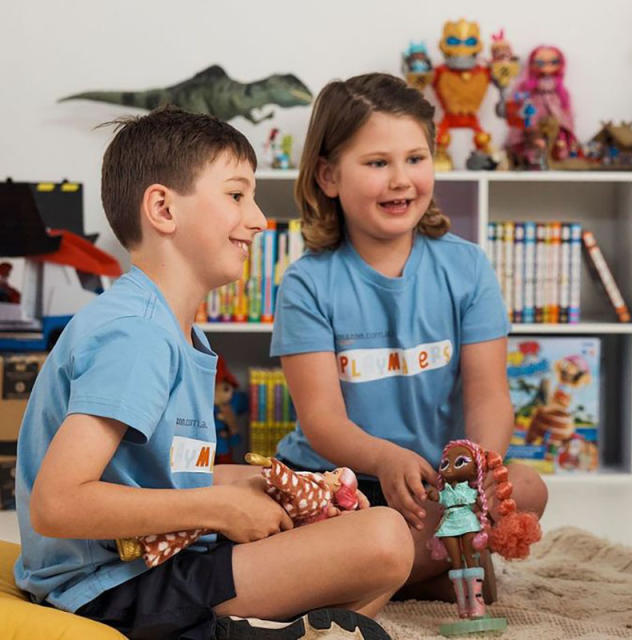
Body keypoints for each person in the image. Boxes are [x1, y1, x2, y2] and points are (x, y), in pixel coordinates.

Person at [14, 106, 411, 640]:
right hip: (112, 588)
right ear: (163, 209)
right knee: (384, 539)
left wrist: (281, 488)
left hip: (154, 566)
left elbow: (167, 480)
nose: (259, 218)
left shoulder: (172, 330)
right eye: (236, 194)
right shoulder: (137, 336)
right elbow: (57, 504)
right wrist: (220, 506)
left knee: (372, 537)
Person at [270, 72, 548, 600]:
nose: (401, 180)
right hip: (342, 486)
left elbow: (489, 393)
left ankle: (402, 567)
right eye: (378, 163)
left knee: (527, 488)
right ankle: (426, 563)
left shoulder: (466, 267)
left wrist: (480, 465)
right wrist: (383, 459)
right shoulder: (306, 283)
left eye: (415, 159)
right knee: (365, 536)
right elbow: (322, 421)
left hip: (437, 489)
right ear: (328, 176)